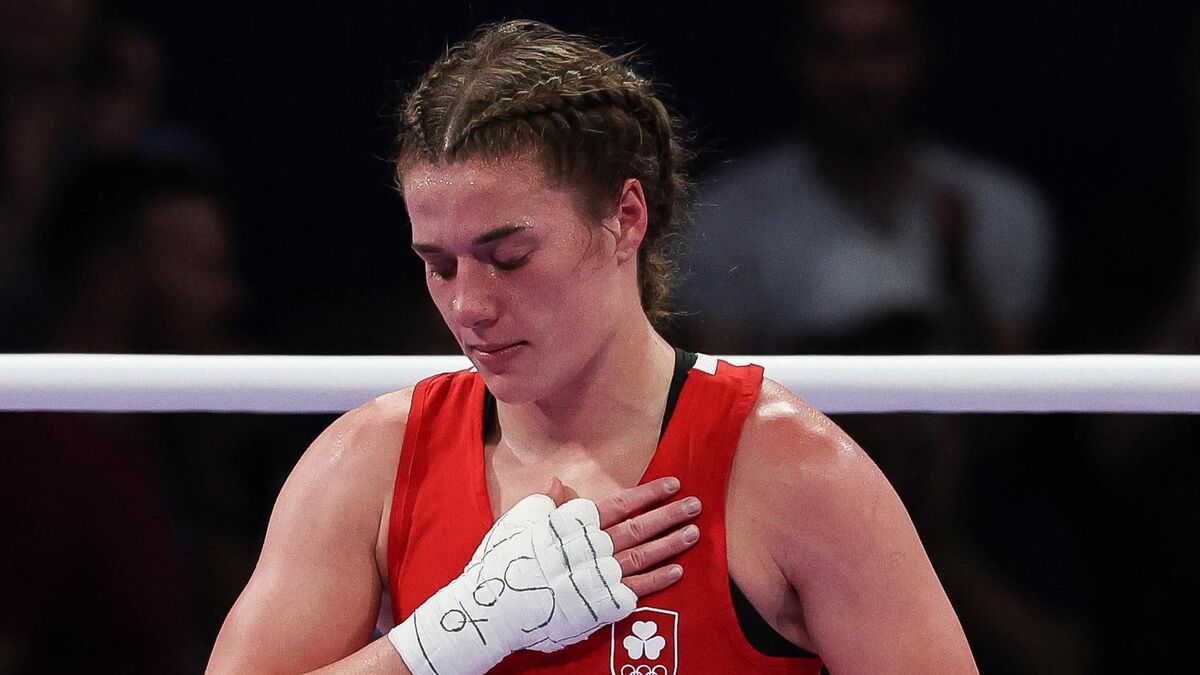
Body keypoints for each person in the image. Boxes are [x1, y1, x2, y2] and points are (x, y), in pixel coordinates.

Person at [208, 20, 976, 674]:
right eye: (439, 265)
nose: (469, 305)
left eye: (510, 257)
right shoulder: (369, 462)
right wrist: (446, 638)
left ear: (625, 218)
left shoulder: (789, 469)